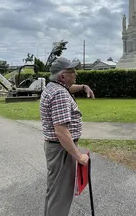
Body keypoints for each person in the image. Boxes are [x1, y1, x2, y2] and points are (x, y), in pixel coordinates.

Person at [40, 57, 95, 215]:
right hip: (61, 149)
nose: (76, 74)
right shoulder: (60, 95)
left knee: (55, 192)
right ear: (63, 76)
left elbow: (69, 89)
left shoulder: (54, 87)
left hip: (57, 147)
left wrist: (84, 87)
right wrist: (79, 156)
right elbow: (61, 131)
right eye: (72, 71)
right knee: (61, 195)